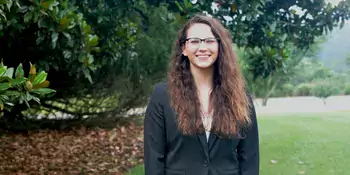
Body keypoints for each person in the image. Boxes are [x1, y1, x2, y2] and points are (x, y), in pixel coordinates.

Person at [143, 14, 259, 175]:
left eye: (210, 41)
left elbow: (249, 158)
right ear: (184, 48)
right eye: (195, 41)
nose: (203, 47)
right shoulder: (162, 96)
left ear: (220, 46)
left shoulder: (240, 97)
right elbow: (154, 158)